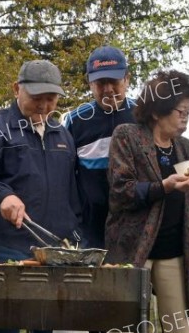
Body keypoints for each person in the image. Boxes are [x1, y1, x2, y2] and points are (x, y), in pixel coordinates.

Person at [105, 70, 189, 333]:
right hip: (134, 250)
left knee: (180, 327)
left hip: (174, 251)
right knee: (126, 326)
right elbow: (121, 191)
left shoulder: (185, 147)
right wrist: (162, 187)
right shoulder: (127, 136)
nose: (185, 119)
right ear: (157, 111)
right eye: (181, 111)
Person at [0, 59, 81, 261]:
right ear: (17, 89)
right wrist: (3, 196)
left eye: (50, 99)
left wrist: (76, 231)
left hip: (59, 248)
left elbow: (73, 193)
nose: (43, 105)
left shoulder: (63, 135)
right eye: (36, 97)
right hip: (6, 246)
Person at [64, 45, 135, 249]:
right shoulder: (74, 121)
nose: (108, 89)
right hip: (90, 230)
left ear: (127, 79)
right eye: (100, 83)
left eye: (113, 81)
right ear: (89, 83)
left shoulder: (145, 116)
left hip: (136, 224)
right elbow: (65, 175)